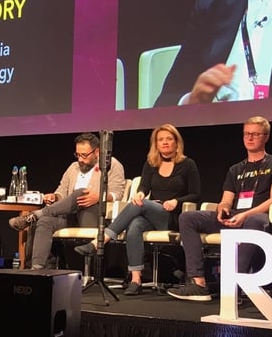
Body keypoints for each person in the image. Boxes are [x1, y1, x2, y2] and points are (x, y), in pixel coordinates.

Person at [167, 116, 272, 302]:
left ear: (266, 137)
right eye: (246, 134)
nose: (249, 138)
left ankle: (233, 284)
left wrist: (245, 214)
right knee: (188, 217)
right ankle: (198, 283)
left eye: (255, 134)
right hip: (234, 217)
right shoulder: (236, 169)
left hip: (260, 218)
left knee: (254, 219)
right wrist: (222, 209)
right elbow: (226, 200)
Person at [74, 124, 201, 295]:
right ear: (155, 144)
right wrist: (140, 194)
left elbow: (195, 194)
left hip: (174, 217)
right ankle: (136, 279)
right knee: (135, 224)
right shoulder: (151, 164)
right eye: (160, 139)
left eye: (169, 139)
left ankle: (100, 241)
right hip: (152, 214)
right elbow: (144, 188)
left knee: (141, 205)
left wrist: (176, 201)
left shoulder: (187, 164)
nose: (165, 143)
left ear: (177, 143)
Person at [8, 132, 126, 270]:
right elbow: (62, 192)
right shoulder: (73, 167)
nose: (80, 159)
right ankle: (37, 269)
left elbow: (118, 194)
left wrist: (99, 196)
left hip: (94, 217)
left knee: (81, 192)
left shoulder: (111, 165)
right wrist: (55, 197)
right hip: (70, 217)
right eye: (78, 154)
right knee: (45, 222)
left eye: (84, 155)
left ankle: (35, 214)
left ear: (97, 151)